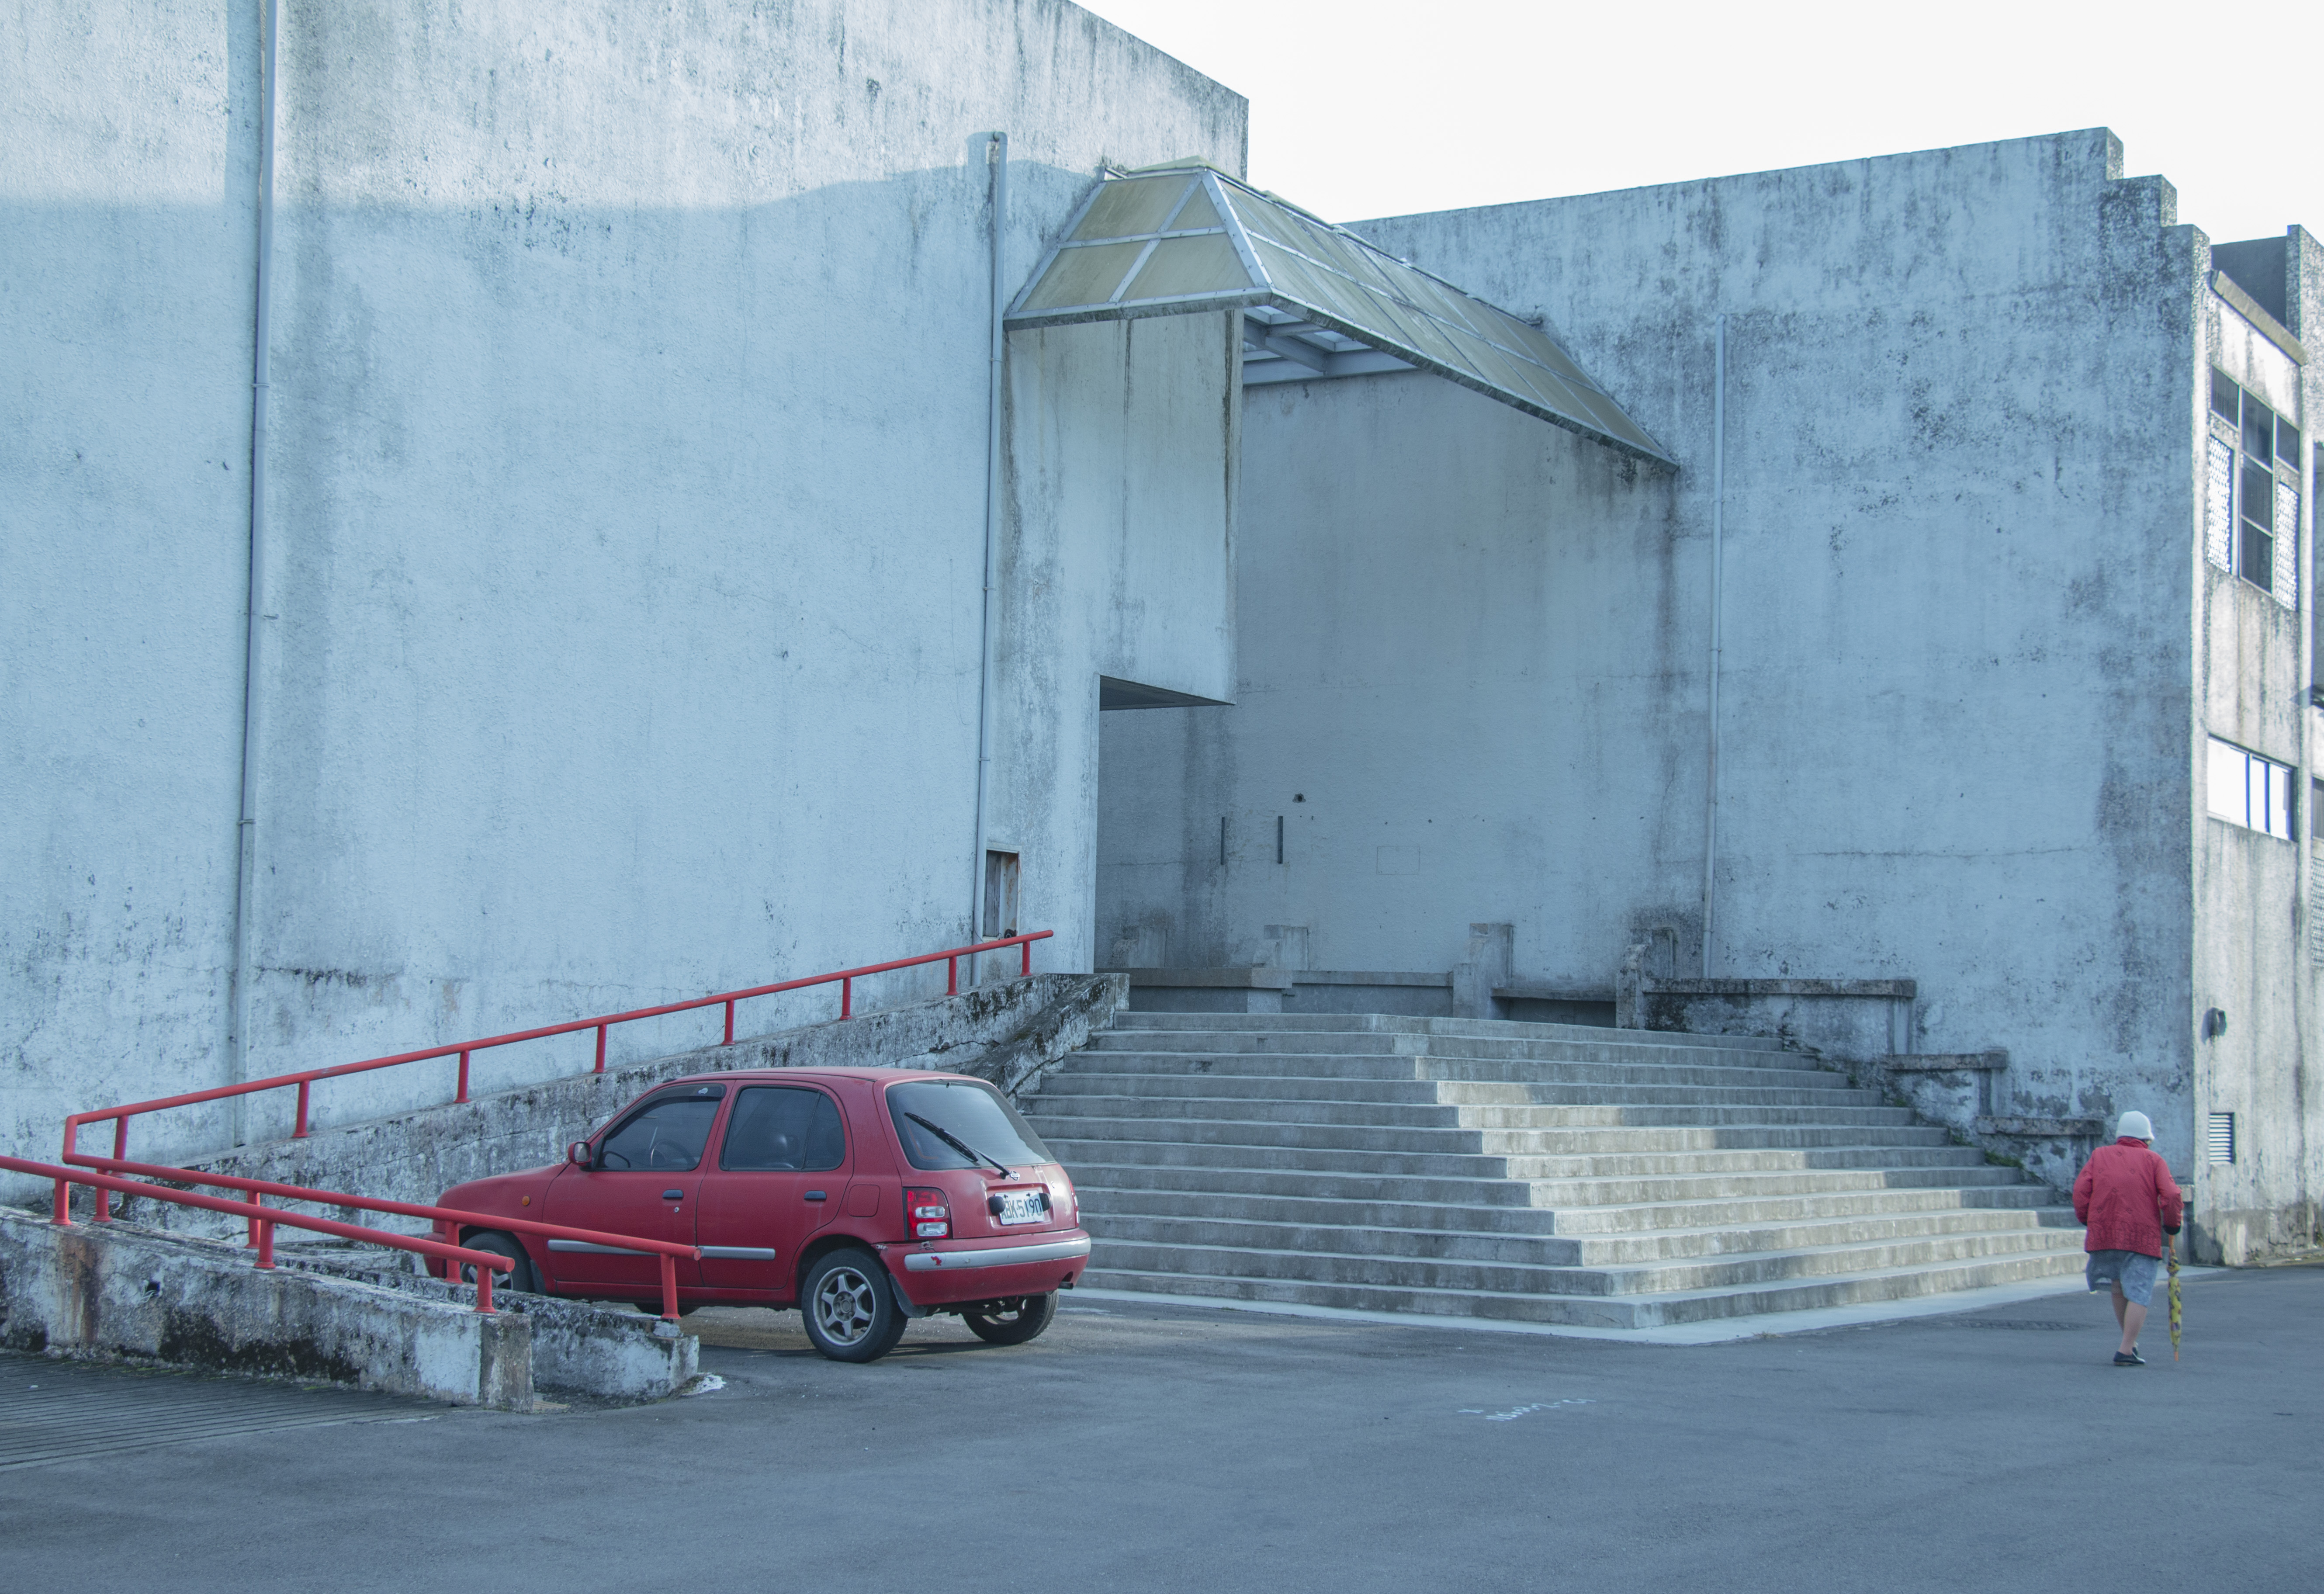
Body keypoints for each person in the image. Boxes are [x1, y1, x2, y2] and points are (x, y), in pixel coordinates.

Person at [2071, 1110, 2183, 1366]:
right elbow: (2172, 1195)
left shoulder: (2099, 1155)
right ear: (2147, 1138)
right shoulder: (2154, 1160)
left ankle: (2129, 1345)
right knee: (2139, 1291)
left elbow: (2080, 1190)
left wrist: (2089, 1220)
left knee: (2119, 1286)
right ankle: (2125, 1349)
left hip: (2105, 1232)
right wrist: (2172, 1225)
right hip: (2141, 1235)